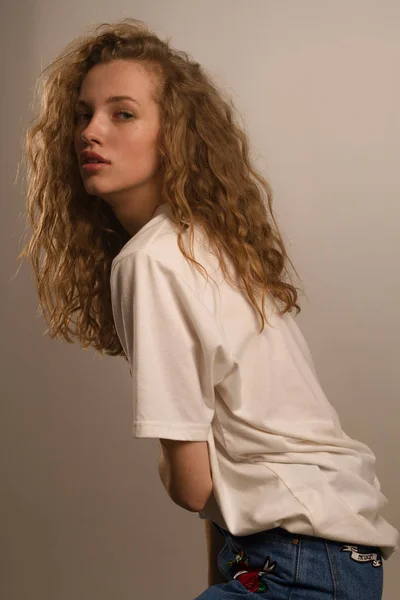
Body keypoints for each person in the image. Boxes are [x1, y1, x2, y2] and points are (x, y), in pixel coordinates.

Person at [18, 18, 398, 600]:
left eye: (122, 113)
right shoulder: (210, 246)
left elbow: (192, 486)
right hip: (328, 558)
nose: (90, 131)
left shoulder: (151, 260)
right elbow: (227, 469)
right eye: (82, 113)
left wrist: (172, 470)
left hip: (294, 562)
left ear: (174, 135)